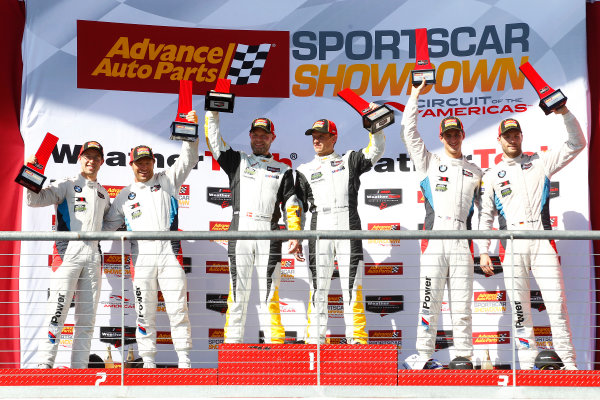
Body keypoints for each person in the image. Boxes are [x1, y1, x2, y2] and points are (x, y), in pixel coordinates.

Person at [478, 106, 585, 370]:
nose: (512, 139)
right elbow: (485, 217)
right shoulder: (492, 175)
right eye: (507, 135)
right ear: (499, 140)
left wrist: (564, 113)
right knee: (519, 310)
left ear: (521, 137)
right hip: (511, 244)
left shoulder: (540, 162)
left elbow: (577, 143)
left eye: (516, 135)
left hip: (541, 239)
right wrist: (483, 250)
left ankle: (569, 364)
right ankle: (527, 366)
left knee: (557, 304)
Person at [103, 111, 199, 368]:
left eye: (147, 161)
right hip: (141, 257)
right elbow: (106, 227)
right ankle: (148, 362)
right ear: (131, 165)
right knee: (144, 313)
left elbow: (189, 159)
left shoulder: (168, 180)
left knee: (178, 309)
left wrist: (190, 131)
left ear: (153, 162)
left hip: (170, 254)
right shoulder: (124, 195)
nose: (143, 166)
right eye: (138, 162)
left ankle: (185, 361)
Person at [400, 80, 482, 368]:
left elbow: (484, 216)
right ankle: (423, 357)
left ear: (462, 134)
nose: (453, 138)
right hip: (434, 240)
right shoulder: (429, 162)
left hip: (462, 241)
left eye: (456, 133)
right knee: (428, 303)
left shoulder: (476, 171)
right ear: (442, 136)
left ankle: (463, 356)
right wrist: (415, 94)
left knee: (462, 306)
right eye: (448, 134)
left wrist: (483, 248)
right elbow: (408, 132)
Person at [204, 111, 299, 344]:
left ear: (272, 138)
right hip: (240, 229)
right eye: (255, 135)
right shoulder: (237, 160)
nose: (259, 139)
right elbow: (213, 139)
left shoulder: (284, 169)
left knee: (270, 294)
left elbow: (291, 204)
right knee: (237, 293)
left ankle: (275, 344)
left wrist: (296, 233)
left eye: (264, 136)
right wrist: (212, 113)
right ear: (249, 136)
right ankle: (232, 345)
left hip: (269, 231)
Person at [291, 112, 385, 345]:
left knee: (352, 286)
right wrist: (296, 235)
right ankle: (315, 341)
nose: (316, 140)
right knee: (318, 288)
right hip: (318, 227)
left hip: (348, 224)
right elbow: (297, 205)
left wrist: (376, 126)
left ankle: (357, 340)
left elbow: (376, 150)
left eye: (321, 136)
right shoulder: (303, 169)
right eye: (313, 136)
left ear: (334, 138)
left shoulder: (349, 160)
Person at [27, 141, 110, 368]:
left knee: (87, 320)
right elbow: (33, 200)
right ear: (79, 159)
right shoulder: (66, 184)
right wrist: (32, 174)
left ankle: (80, 370)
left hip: (93, 257)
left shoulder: (104, 194)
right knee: (57, 313)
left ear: (101, 161)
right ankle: (44, 366)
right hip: (67, 254)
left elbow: (110, 225)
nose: (91, 161)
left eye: (96, 157)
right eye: (87, 156)